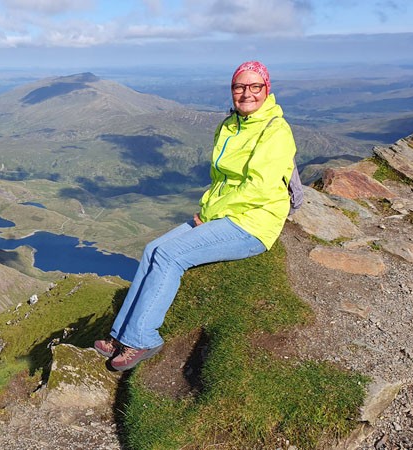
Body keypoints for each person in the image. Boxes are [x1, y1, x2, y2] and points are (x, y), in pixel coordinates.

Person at [94, 61, 297, 371]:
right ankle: (121, 335)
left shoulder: (275, 130)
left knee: (170, 256)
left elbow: (259, 187)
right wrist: (209, 210)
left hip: (253, 223)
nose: (246, 93)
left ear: (267, 90)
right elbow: (221, 180)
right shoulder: (229, 126)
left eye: (255, 86)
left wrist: (212, 213)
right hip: (222, 213)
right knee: (152, 250)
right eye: (239, 87)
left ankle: (143, 338)